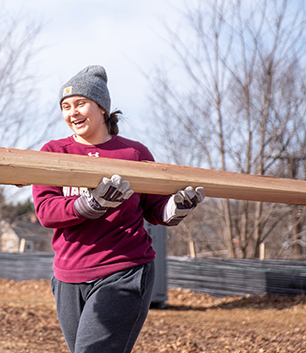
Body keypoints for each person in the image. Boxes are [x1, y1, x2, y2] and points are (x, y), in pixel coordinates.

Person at [31, 65, 205, 353]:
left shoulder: (133, 154)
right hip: (68, 275)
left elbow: (154, 209)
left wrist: (174, 208)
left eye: (80, 103)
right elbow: (46, 211)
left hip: (123, 271)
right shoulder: (54, 153)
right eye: (65, 106)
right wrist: (88, 204)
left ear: (102, 108)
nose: (72, 112)